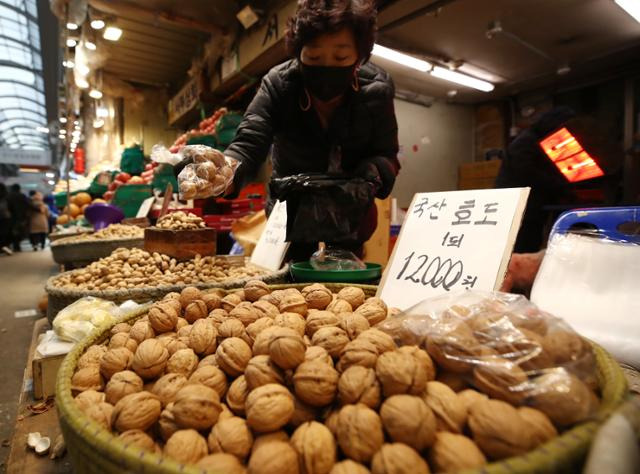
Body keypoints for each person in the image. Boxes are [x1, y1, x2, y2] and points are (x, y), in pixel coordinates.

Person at [179, 0, 400, 261]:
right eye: (314, 57)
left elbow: (387, 154)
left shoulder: (376, 89)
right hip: (290, 215)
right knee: (289, 284)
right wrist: (223, 171)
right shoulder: (278, 84)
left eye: (341, 57)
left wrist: (371, 175)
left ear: (359, 57)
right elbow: (249, 142)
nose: (327, 66)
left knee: (347, 287)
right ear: (298, 53)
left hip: (350, 217)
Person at [7, 183, 31, 252]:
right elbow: (27, 204)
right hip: (21, 217)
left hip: (11, 217)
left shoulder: (9, 196)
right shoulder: (22, 196)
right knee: (19, 231)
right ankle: (17, 245)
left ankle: (15, 245)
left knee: (14, 231)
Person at [0, 183, 13, 255]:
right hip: (6, 217)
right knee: (5, 232)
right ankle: (4, 246)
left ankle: (3, 246)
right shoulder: (7, 196)